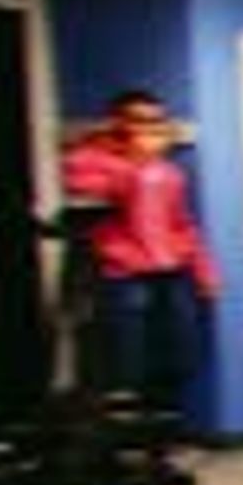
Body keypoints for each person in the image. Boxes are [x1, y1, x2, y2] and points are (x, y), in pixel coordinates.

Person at [60, 89, 220, 417]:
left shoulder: (170, 172)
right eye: (140, 120)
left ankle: (160, 436)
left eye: (156, 120)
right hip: (125, 275)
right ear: (119, 122)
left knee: (177, 353)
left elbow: (183, 224)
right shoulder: (86, 161)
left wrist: (205, 271)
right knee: (128, 359)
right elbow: (104, 198)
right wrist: (135, 163)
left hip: (171, 272)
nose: (150, 128)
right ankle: (127, 441)